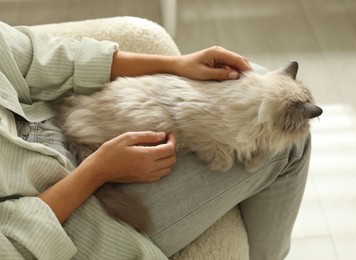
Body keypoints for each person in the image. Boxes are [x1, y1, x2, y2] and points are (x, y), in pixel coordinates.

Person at [0, 19, 311, 260]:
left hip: (57, 125)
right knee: (287, 148)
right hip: (67, 222)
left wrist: (176, 64)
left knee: (259, 81)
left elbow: (32, 56)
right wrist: (96, 172)